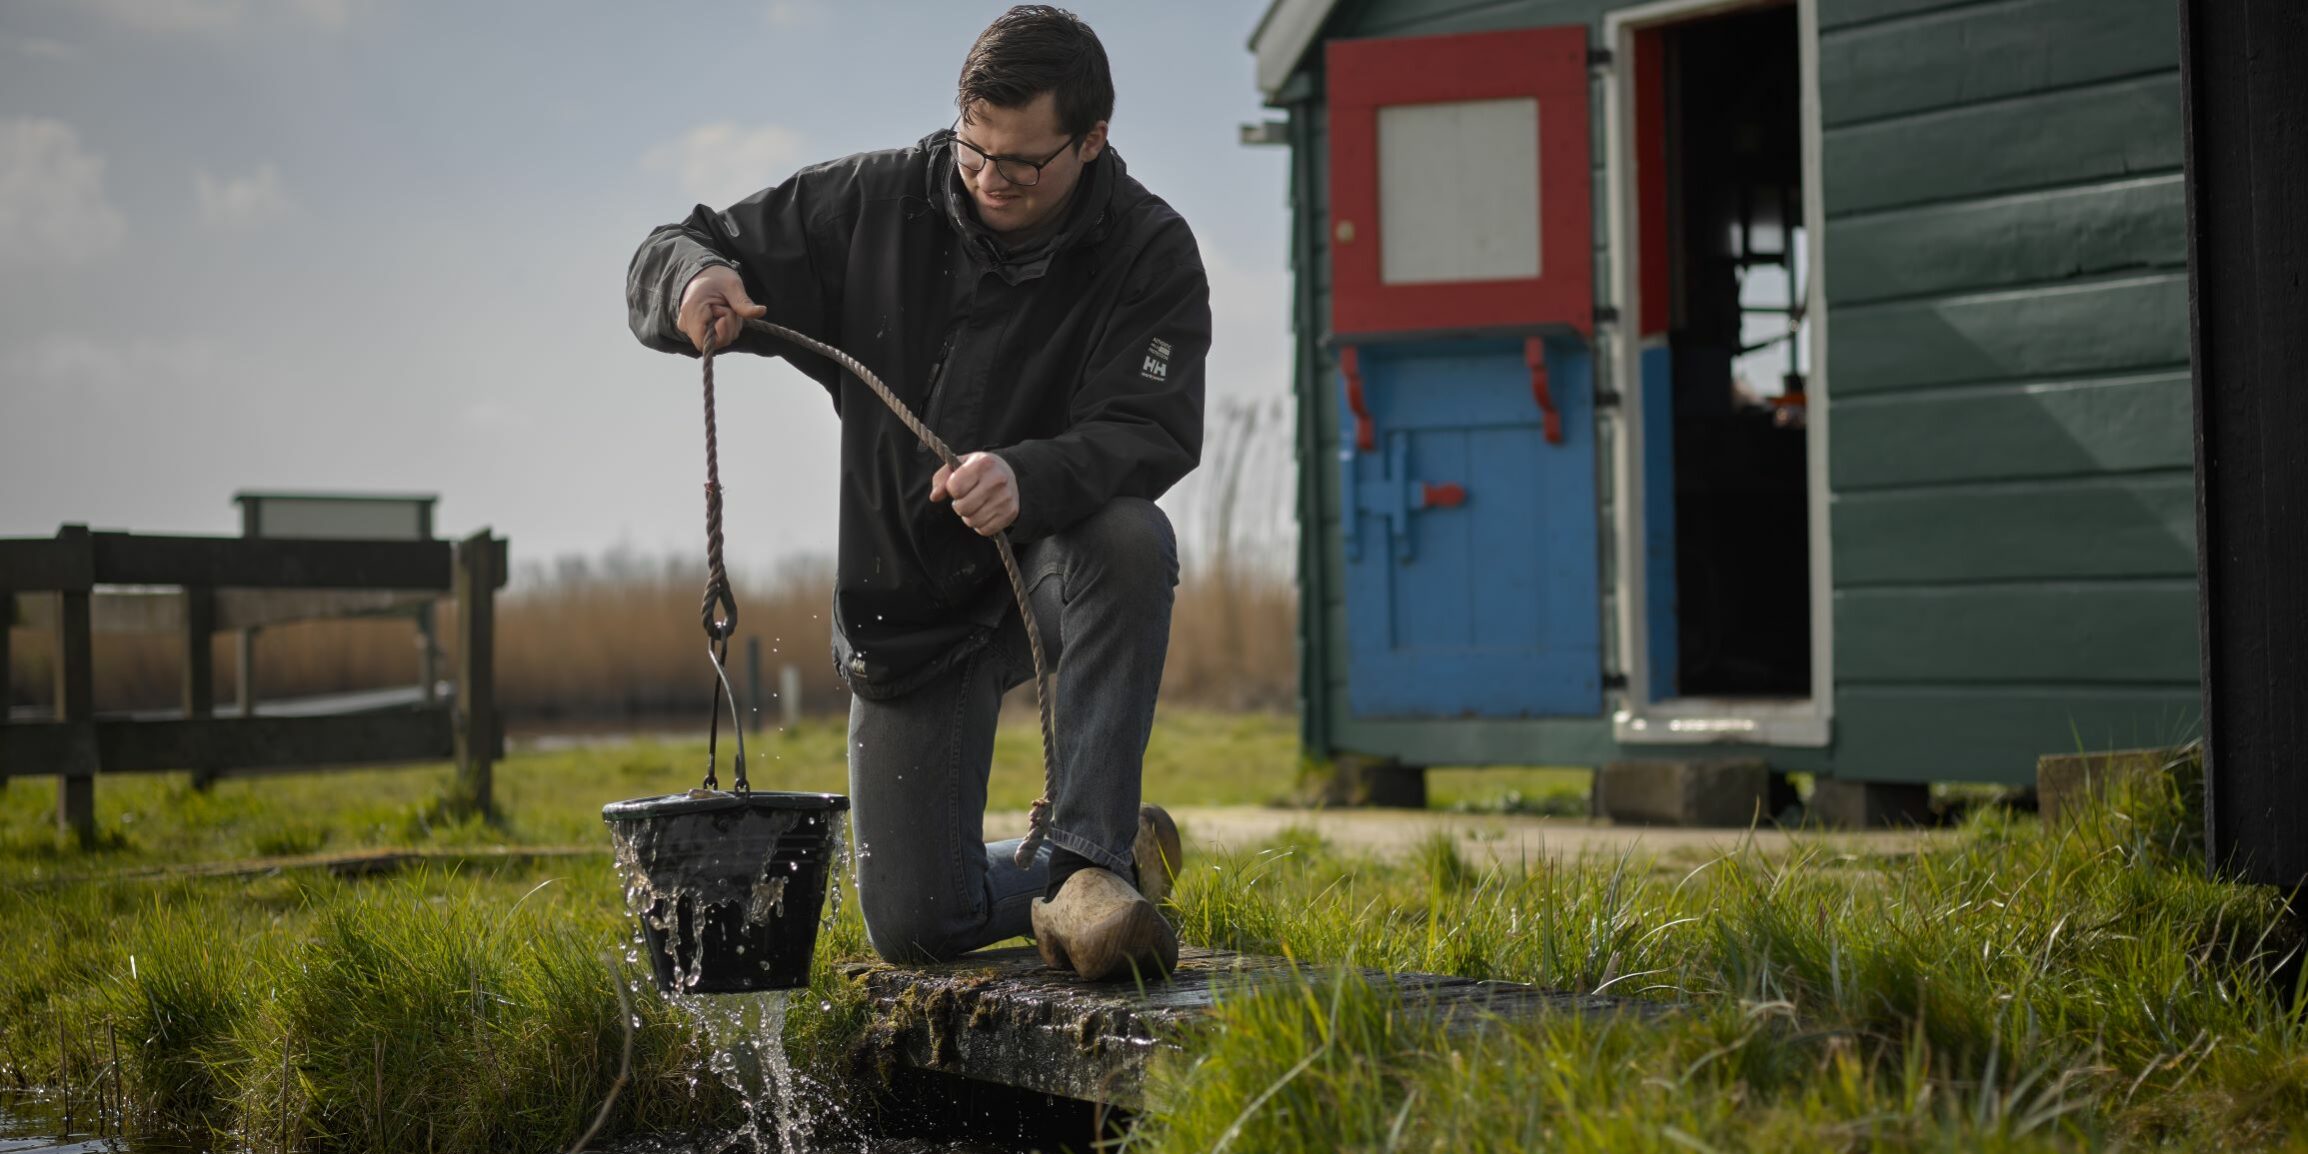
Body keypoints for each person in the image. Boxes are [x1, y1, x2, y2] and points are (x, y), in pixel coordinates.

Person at [625, 5, 1206, 981]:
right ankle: (1109, 864)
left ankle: (1091, 859)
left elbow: (1146, 426)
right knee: (915, 924)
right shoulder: (872, 201)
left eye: (1021, 162)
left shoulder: (1150, 250)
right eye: (975, 149)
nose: (989, 179)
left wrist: (1028, 475)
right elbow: (675, 243)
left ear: (1093, 138)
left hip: (1051, 574)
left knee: (1129, 535)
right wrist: (697, 276)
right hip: (909, 617)